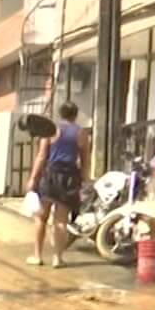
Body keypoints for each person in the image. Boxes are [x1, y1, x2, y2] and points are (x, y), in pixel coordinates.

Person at [26, 101, 89, 268]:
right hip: (69, 177)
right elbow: (85, 160)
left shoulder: (51, 130)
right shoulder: (81, 133)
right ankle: (58, 258)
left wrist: (33, 178)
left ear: (60, 114)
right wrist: (84, 180)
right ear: (75, 115)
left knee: (41, 217)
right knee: (61, 220)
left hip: (50, 175)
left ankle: (37, 255)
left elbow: (41, 156)